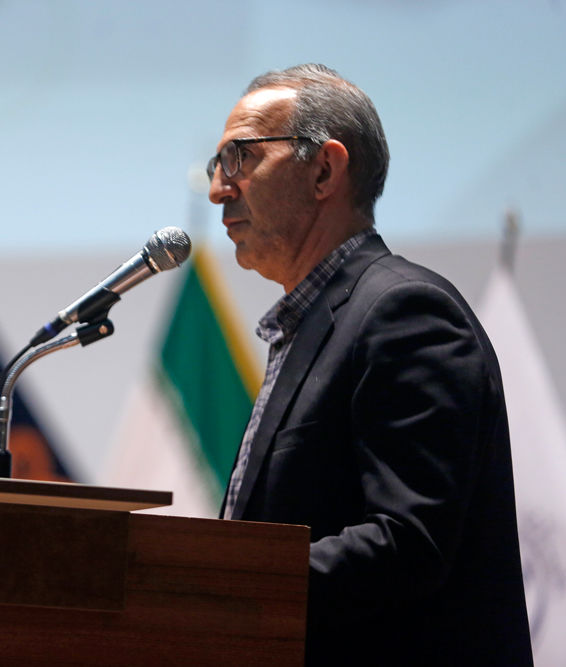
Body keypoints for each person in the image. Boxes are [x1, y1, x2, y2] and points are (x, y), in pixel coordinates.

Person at [208, 64, 533, 666]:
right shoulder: (311, 325)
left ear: (325, 170)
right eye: (216, 164)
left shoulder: (404, 313)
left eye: (240, 157)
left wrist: (225, 588)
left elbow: (410, 541)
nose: (218, 189)